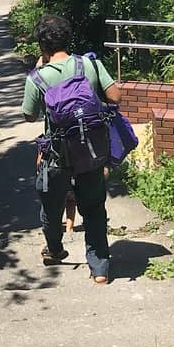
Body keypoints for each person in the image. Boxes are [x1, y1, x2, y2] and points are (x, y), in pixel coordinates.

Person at [22, 14, 120, 285]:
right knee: (94, 208)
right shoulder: (88, 64)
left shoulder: (37, 78)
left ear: (42, 45)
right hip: (89, 151)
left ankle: (54, 249)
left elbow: (28, 115)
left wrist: (37, 70)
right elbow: (115, 96)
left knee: (51, 208)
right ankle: (100, 269)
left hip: (56, 156)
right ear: (68, 38)